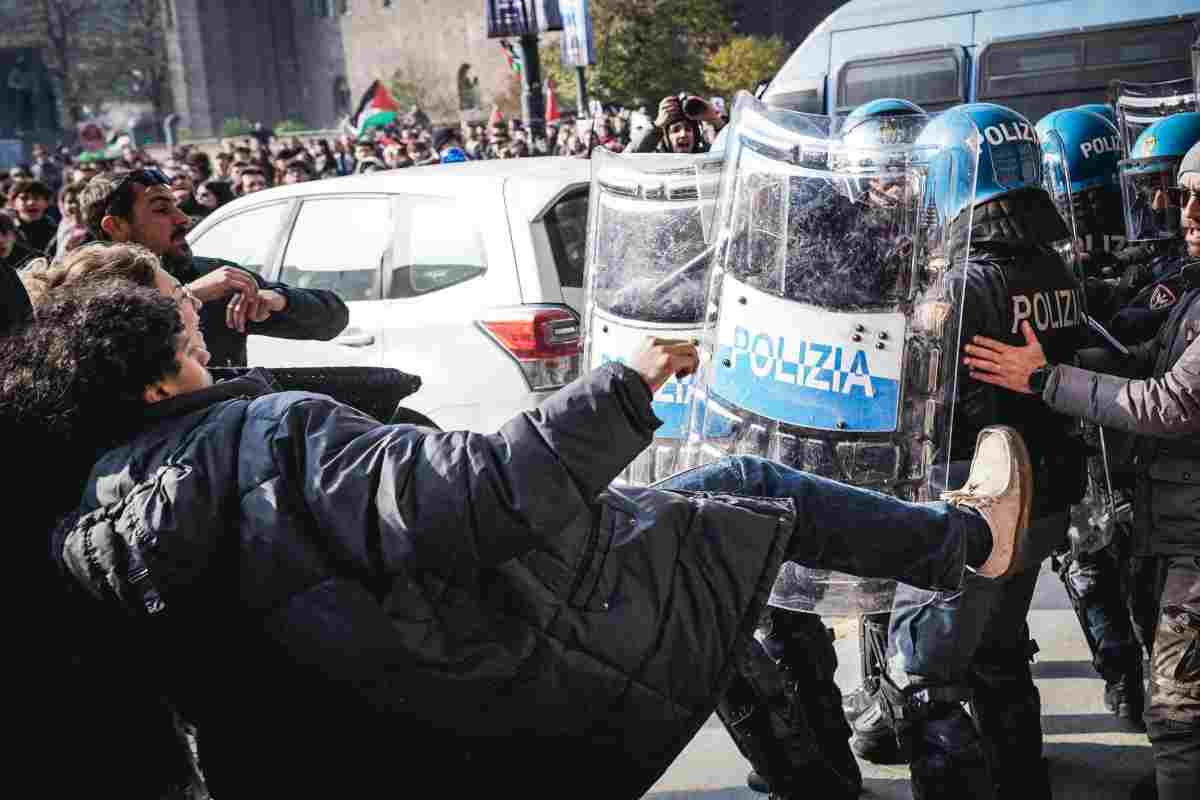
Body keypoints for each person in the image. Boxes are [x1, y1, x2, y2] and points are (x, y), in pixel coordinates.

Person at [12, 269, 1036, 797]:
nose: (217, 348)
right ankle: (959, 540)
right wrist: (626, 380)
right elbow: (478, 489)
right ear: (152, 379)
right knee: (742, 488)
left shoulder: (92, 522)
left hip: (349, 755)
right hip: (483, 668)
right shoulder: (262, 433)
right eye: (193, 344)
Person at [850, 103, 1088, 800]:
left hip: (968, 504)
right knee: (1002, 655)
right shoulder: (1054, 267)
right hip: (1039, 493)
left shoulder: (958, 286)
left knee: (929, 678)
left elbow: (918, 402)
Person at [963, 138, 1200, 800]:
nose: (1188, 216)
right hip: (1174, 527)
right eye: (1183, 198)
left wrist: (1044, 379)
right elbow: (1146, 361)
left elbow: (1169, 403)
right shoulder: (1193, 293)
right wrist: (1062, 359)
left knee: (1176, 713)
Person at [1035, 105, 1146, 723]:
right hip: (1126, 417)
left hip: (1085, 414)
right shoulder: (1141, 237)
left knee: (1089, 559)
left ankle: (1126, 680)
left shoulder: (1045, 252)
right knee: (1114, 556)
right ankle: (1137, 678)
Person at [78, 168, 348, 367]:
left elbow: (332, 320)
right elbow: (105, 347)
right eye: (161, 210)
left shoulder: (215, 277)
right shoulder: (76, 293)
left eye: (177, 206)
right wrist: (186, 296)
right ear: (116, 227)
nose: (182, 219)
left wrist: (279, 300)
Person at [626, 93, 726, 154]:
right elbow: (626, 160)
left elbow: (736, 154)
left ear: (696, 136)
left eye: (688, 129)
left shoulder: (708, 156)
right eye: (675, 130)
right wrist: (657, 125)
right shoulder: (653, 159)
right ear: (666, 138)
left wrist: (715, 119)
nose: (683, 134)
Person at [7, 178, 57, 253]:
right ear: (12, 203)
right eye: (24, 198)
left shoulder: (57, 232)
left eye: (36, 198)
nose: (31, 203)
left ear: (47, 202)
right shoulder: (6, 231)